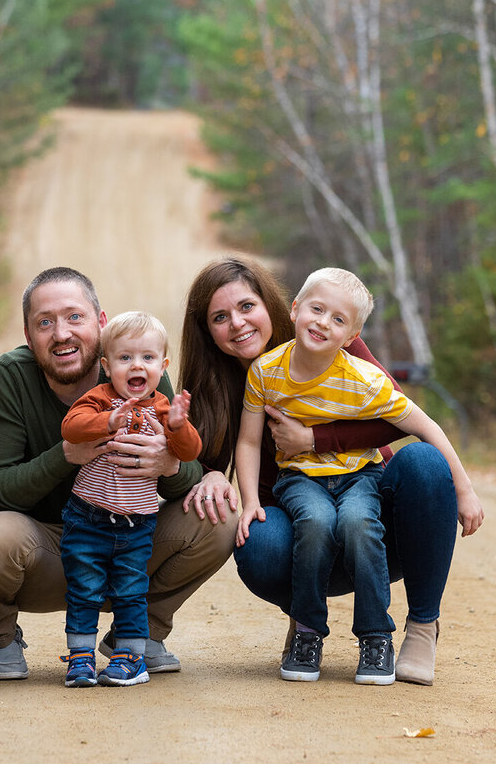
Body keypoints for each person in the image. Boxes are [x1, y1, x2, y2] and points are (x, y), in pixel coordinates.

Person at [179, 257, 471, 686]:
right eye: (219, 317)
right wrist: (209, 472)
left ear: (278, 306)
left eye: (246, 307)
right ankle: (306, 625)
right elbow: (210, 445)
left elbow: (400, 415)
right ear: (207, 329)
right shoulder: (245, 376)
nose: (237, 324)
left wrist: (315, 440)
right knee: (255, 538)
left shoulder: (330, 336)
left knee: (424, 464)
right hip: (299, 514)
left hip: (366, 503)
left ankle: (418, 629)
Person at [0, 267, 235, 680]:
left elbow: (187, 471)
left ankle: (138, 636)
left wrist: (168, 465)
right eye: (45, 323)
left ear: (101, 324)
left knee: (219, 519)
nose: (62, 333)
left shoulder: (139, 367)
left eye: (74, 317)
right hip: (46, 548)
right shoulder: (12, 377)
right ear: (29, 336)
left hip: (130, 536)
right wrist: (66, 455)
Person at [58, 311, 202, 687]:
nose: (136, 365)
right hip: (87, 517)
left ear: (162, 366)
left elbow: (189, 451)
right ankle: (80, 658)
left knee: (131, 591)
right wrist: (107, 422)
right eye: (125, 358)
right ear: (106, 366)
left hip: (136, 524)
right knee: (84, 587)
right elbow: (70, 428)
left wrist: (177, 426)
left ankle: (129, 658)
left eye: (148, 358)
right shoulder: (99, 400)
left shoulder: (164, 409)